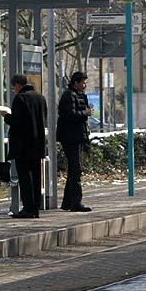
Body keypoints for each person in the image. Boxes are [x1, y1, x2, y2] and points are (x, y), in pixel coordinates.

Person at [2, 74, 48, 218]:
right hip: (38, 143)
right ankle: (35, 209)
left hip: (23, 145)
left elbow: (17, 121)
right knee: (35, 176)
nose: (13, 90)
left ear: (17, 85)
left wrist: (6, 116)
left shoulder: (20, 98)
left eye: (13, 86)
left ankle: (27, 208)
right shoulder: (40, 98)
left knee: (25, 177)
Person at [58, 71, 93, 212]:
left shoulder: (78, 96)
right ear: (76, 83)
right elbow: (69, 114)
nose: (84, 85)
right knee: (76, 169)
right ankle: (75, 202)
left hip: (76, 135)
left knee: (74, 169)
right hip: (70, 137)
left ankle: (68, 202)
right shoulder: (69, 95)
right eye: (82, 82)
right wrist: (85, 113)